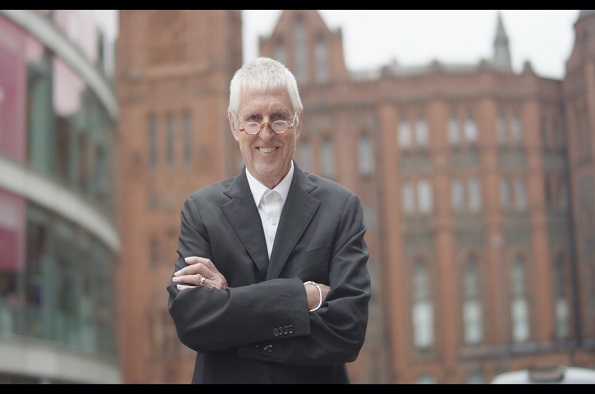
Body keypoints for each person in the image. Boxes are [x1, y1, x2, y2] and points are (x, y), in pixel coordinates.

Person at [167, 57, 371, 384]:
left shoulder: (341, 208)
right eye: (252, 119)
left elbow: (347, 330)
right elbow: (192, 320)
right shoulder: (201, 212)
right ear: (234, 125)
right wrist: (300, 298)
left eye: (279, 118)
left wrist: (230, 303)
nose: (265, 132)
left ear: (298, 123)